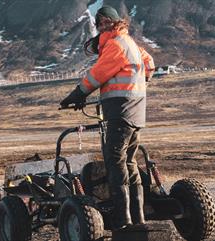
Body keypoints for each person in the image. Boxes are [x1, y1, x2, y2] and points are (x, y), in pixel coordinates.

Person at [60, 5, 155, 230]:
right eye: (99, 24)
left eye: (105, 22)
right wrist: (141, 81)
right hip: (135, 111)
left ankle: (124, 220)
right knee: (130, 162)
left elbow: (97, 74)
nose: (102, 26)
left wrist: (76, 95)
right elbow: (149, 63)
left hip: (121, 111)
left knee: (115, 162)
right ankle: (137, 218)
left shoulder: (116, 44)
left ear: (114, 22)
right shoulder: (130, 43)